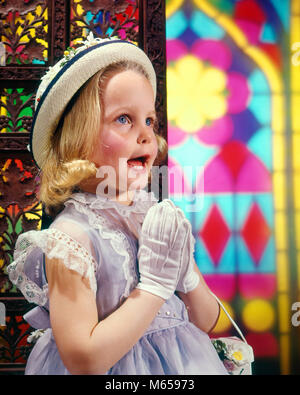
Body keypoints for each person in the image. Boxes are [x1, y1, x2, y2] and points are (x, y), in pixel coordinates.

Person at [7, 33, 228, 375]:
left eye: (149, 121)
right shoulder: (72, 237)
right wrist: (153, 287)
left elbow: (208, 320)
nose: (145, 135)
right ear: (77, 139)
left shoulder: (149, 218)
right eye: (123, 119)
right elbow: (84, 360)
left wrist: (184, 272)